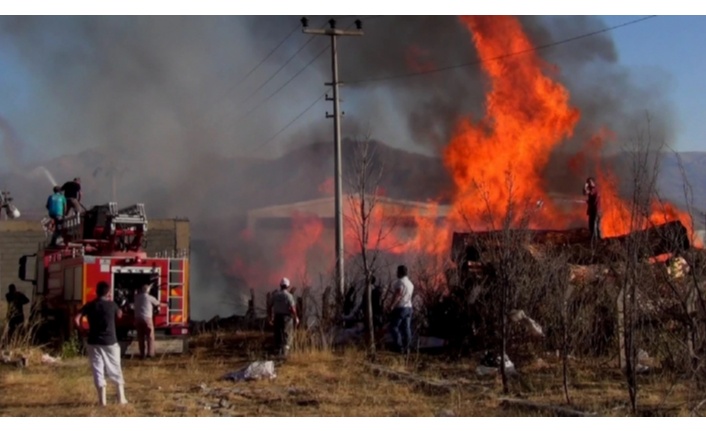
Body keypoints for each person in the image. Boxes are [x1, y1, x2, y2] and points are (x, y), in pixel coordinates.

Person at [74, 281, 127, 406]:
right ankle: (121, 398)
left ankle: (102, 401)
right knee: (115, 368)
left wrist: (82, 330)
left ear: (96, 292)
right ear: (108, 292)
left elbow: (76, 319)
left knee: (98, 369)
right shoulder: (112, 305)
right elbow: (120, 315)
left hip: (93, 341)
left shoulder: (90, 305)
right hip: (110, 342)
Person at [267, 277, 299, 357]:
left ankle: (277, 353)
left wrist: (270, 317)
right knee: (287, 335)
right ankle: (285, 354)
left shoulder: (275, 295)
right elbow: (292, 309)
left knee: (278, 334)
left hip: (277, 318)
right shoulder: (289, 296)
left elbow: (269, 306)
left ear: (280, 285)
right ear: (288, 286)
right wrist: (296, 317)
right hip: (287, 319)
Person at [388, 265, 414, 354]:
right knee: (407, 328)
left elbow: (398, 294)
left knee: (393, 327)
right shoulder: (410, 283)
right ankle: (408, 347)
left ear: (400, 272)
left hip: (400, 308)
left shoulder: (400, 282)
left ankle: (399, 347)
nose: (396, 273)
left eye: (397, 271)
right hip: (409, 307)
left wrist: (391, 305)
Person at [134, 283, 160, 359]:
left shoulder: (137, 297)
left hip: (137, 319)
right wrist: (167, 304)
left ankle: (142, 354)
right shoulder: (150, 298)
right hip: (147, 318)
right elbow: (158, 304)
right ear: (148, 290)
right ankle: (150, 354)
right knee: (150, 336)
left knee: (141, 337)